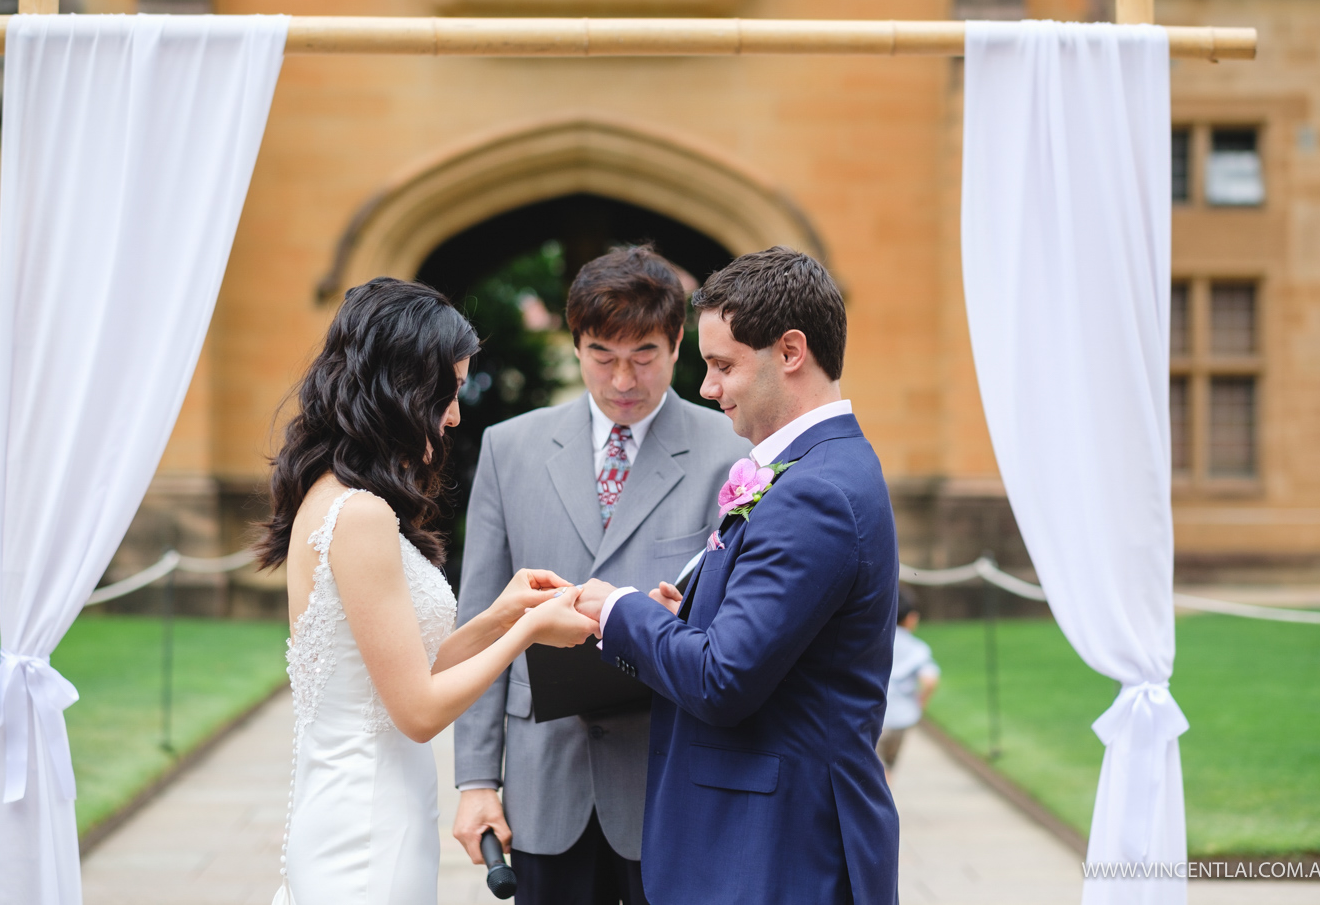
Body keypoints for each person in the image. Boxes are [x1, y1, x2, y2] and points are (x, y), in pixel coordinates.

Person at [575, 246, 902, 905]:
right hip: (759, 838)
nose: (707, 386)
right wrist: (683, 618)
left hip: (775, 849)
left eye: (723, 365)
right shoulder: (810, 470)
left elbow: (724, 679)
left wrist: (619, 610)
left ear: (789, 352)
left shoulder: (816, 491)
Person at [255, 278, 598, 905]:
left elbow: (406, 672)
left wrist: (500, 615)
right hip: (366, 822)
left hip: (365, 802)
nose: (455, 415)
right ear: (404, 389)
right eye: (452, 390)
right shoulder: (359, 515)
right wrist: (528, 633)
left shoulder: (334, 493)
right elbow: (417, 713)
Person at [451, 245, 750, 905]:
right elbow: (479, 622)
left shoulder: (731, 454)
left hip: (668, 777)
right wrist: (476, 781)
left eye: (643, 354)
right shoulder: (510, 448)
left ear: (679, 344)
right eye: (600, 355)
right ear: (575, 343)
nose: (622, 379)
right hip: (542, 781)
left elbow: (743, 626)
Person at [879, 588, 940, 774]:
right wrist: (919, 704)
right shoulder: (917, 649)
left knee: (872, 768)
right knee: (889, 767)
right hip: (901, 718)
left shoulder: (876, 642)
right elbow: (930, 681)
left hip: (875, 716)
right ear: (912, 618)